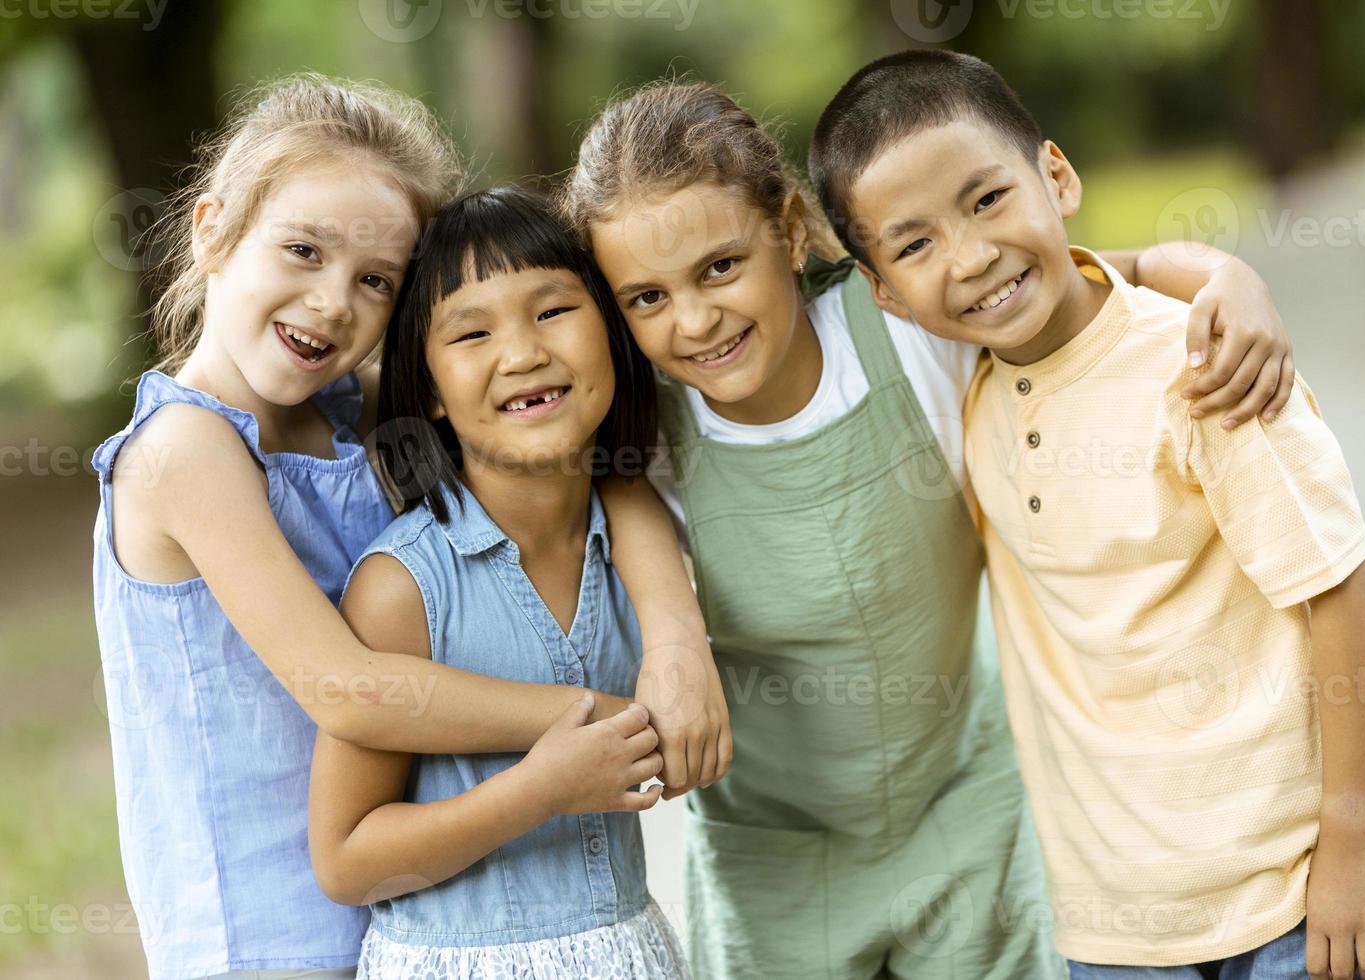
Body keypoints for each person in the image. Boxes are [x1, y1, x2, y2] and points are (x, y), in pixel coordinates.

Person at [562, 79, 1299, 978]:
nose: (695, 319)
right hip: (774, 857)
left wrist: (1228, 277)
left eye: (721, 266)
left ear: (792, 232)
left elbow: (1103, 275)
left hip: (965, 815)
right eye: (645, 298)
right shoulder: (647, 427)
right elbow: (603, 484)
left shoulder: (905, 321)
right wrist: (673, 634)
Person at [91, 76, 721, 980]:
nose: (331, 301)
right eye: (302, 250)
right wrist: (606, 724)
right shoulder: (184, 449)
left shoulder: (352, 413)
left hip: (412, 900)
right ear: (213, 230)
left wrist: (674, 637)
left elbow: (576, 467)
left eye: (374, 279)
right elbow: (349, 691)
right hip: (257, 934)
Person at [810, 48, 1365, 980]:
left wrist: (1355, 843)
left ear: (1057, 177)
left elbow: (1348, 600)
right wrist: (1209, 264)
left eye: (988, 198)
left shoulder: (1204, 368)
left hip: (1289, 904)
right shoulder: (965, 381)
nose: (970, 256)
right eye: (915, 244)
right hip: (1113, 934)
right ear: (884, 292)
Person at [308, 186, 690, 978]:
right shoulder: (403, 589)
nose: (522, 354)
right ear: (432, 391)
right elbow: (346, 861)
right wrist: (536, 792)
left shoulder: (639, 547)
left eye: (553, 311)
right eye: (473, 332)